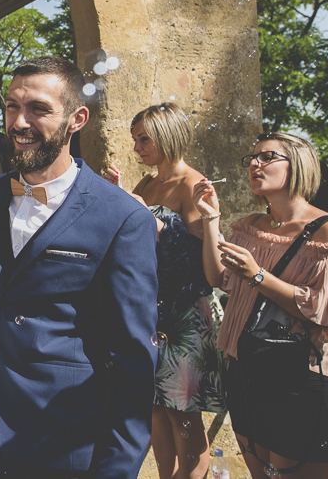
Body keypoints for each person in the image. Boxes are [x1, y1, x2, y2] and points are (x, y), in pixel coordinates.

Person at [0, 56, 159, 479]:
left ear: (77, 119)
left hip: (64, 441)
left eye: (38, 109)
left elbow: (133, 358)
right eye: (12, 107)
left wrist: (117, 468)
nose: (19, 122)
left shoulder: (123, 219)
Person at [193, 132, 328, 479]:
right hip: (248, 371)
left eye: (268, 157)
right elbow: (219, 279)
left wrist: (258, 276)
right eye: (252, 159)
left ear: (299, 165)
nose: (255, 164)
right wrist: (211, 219)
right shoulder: (254, 226)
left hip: (300, 380)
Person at [104, 103, 224, 479]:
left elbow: (201, 261)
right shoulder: (145, 184)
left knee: (183, 414)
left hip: (185, 309)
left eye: (144, 139)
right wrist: (119, 198)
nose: (137, 148)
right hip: (150, 310)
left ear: (168, 136)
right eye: (136, 139)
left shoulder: (194, 184)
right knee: (155, 409)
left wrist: (146, 219)